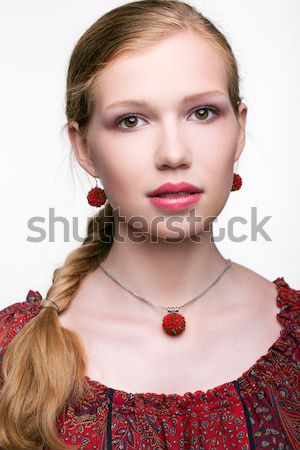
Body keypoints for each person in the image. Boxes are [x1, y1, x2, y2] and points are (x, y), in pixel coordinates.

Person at [0, 0, 299, 449]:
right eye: (131, 120)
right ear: (84, 147)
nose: (173, 153)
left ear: (238, 130)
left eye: (201, 113)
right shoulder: (12, 355)